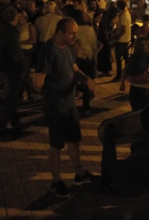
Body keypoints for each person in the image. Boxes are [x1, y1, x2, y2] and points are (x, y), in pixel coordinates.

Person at [33, 18, 99, 197]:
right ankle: (56, 180)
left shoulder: (68, 48)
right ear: (60, 32)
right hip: (56, 105)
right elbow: (39, 79)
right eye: (71, 33)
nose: (75, 36)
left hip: (69, 103)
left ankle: (79, 171)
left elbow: (74, 69)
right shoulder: (48, 51)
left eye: (76, 33)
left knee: (74, 139)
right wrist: (42, 94)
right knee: (56, 143)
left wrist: (85, 78)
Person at [0, 7, 25, 133]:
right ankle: (3, 123)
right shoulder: (11, 32)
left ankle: (14, 121)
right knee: (11, 95)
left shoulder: (3, 30)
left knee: (12, 95)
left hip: (6, 65)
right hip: (12, 66)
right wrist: (20, 63)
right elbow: (14, 51)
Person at [113, 0, 132, 82]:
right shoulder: (126, 13)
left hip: (122, 40)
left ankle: (119, 75)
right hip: (126, 39)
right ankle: (127, 73)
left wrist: (117, 37)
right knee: (126, 58)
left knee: (118, 58)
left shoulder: (124, 16)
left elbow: (124, 30)